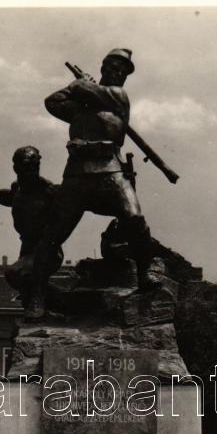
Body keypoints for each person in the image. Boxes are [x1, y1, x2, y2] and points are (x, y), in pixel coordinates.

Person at [26, 48, 160, 320]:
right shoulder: (82, 106)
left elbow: (93, 92)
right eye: (112, 67)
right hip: (77, 174)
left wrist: (80, 85)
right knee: (53, 233)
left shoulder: (118, 98)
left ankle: (146, 272)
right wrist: (77, 88)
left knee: (134, 218)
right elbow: (52, 102)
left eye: (123, 70)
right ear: (103, 67)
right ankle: (37, 296)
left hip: (110, 170)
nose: (117, 72)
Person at [0, 146, 62, 305]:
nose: (32, 172)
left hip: (47, 250)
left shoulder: (49, 192)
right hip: (27, 249)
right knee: (26, 292)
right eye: (27, 167)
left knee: (15, 274)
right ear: (16, 168)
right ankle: (51, 303)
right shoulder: (19, 189)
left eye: (35, 167)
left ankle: (62, 301)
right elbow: (7, 197)